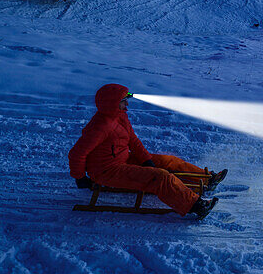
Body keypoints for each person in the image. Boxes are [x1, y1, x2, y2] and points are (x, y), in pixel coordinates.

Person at [69, 84, 226, 218]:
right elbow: (77, 153)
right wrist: (80, 177)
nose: (127, 105)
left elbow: (133, 141)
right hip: (106, 171)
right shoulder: (100, 127)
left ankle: (207, 179)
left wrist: (146, 160)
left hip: (122, 159)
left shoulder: (120, 117)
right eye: (123, 102)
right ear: (112, 104)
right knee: (159, 177)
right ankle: (196, 206)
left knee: (168, 161)